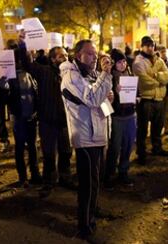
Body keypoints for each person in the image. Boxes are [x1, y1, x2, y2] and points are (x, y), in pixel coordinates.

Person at [60, 39, 113, 239]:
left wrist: (109, 99)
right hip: (85, 137)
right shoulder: (71, 77)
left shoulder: (91, 74)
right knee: (87, 184)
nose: (95, 57)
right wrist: (106, 76)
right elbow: (91, 99)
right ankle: (84, 226)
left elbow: (101, 100)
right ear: (77, 55)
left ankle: (93, 213)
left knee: (95, 180)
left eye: (96, 53)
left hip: (98, 135)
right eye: (90, 53)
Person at [31, 46, 73, 197]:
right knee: (49, 153)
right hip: (48, 120)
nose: (66, 58)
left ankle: (65, 177)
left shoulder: (71, 73)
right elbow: (28, 64)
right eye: (61, 56)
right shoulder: (44, 72)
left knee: (66, 151)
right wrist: (25, 46)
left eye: (67, 55)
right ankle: (48, 181)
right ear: (53, 59)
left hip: (65, 121)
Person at [0, 42, 42, 187]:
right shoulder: (8, 77)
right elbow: (4, 99)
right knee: (20, 148)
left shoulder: (29, 74)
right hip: (19, 117)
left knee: (32, 146)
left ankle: (35, 174)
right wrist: (3, 86)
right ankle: (22, 176)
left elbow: (34, 93)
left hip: (31, 116)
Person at [132, 36, 168, 165]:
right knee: (142, 128)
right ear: (142, 47)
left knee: (157, 126)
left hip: (159, 98)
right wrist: (160, 82)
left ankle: (157, 148)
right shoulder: (138, 62)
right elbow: (143, 81)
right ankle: (141, 152)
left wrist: (155, 75)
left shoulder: (159, 60)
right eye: (147, 45)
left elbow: (167, 76)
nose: (150, 48)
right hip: (145, 99)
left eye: (152, 45)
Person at [103, 49, 136, 189]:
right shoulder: (109, 78)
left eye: (124, 61)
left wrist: (136, 97)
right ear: (113, 63)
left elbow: (136, 92)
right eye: (119, 62)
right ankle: (109, 173)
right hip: (117, 117)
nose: (122, 64)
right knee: (114, 147)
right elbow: (105, 102)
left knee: (128, 146)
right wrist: (115, 95)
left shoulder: (130, 76)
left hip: (130, 116)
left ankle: (123, 171)